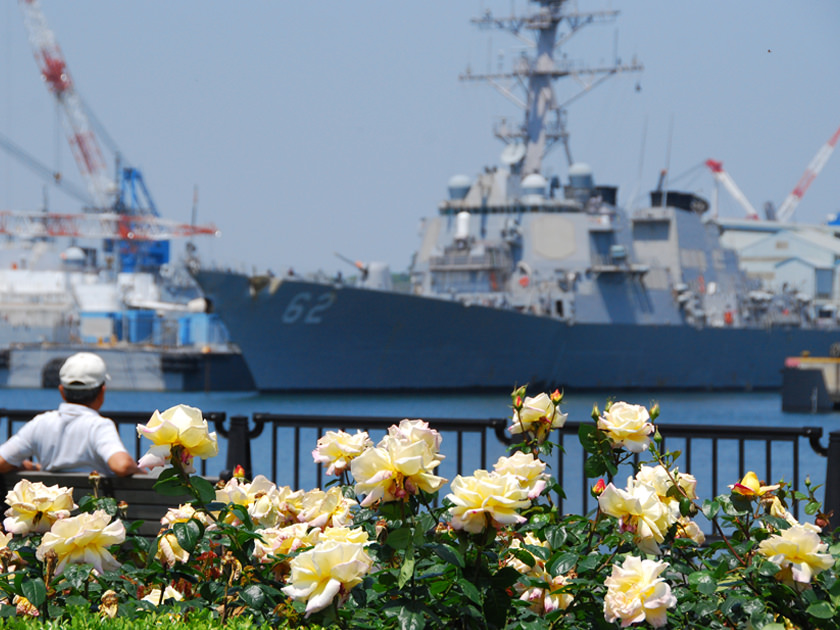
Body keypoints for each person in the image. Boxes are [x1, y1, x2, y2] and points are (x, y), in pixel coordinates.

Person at [0, 352, 141, 477]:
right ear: (102, 392)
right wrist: (140, 472)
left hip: (53, 506)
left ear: (62, 391)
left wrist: (34, 467)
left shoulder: (40, 423)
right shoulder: (99, 426)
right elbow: (122, 466)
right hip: (91, 505)